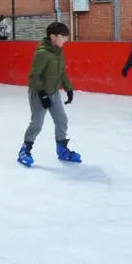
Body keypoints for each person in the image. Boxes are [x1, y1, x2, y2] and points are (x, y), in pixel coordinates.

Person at [17, 22, 81, 167]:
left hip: (53, 92)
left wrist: (68, 88)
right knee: (37, 122)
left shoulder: (59, 52)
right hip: (38, 92)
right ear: (53, 36)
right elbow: (34, 77)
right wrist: (42, 95)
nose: (65, 39)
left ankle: (62, 150)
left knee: (61, 119)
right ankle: (24, 151)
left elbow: (62, 72)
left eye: (66, 37)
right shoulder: (42, 54)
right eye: (62, 36)